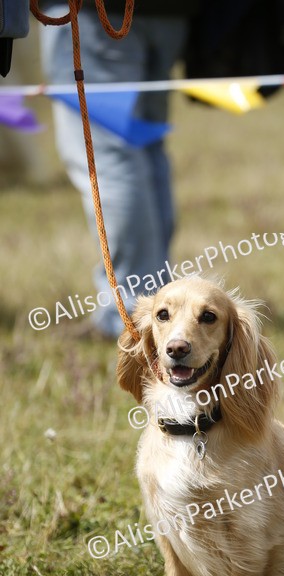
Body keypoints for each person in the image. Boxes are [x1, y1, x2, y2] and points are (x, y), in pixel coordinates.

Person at [39, 1, 198, 337]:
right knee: (142, 148)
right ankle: (160, 307)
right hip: (167, 14)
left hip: (97, 14)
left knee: (108, 154)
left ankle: (130, 317)